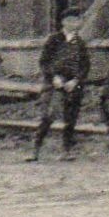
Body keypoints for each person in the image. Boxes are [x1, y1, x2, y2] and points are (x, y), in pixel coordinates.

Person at [29, 9, 90, 161]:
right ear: (63, 22)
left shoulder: (80, 43)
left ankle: (66, 151)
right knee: (49, 115)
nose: (74, 23)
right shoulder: (54, 39)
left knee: (71, 118)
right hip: (55, 84)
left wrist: (75, 81)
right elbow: (44, 62)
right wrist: (54, 77)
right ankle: (35, 150)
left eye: (76, 20)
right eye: (70, 20)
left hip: (72, 85)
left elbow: (85, 66)